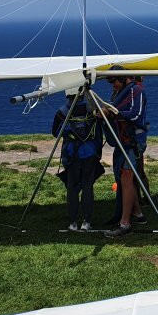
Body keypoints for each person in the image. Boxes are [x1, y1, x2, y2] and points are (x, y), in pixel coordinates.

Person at [101, 69, 150, 238]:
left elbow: (136, 115)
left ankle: (125, 224)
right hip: (123, 141)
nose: (113, 85)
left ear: (123, 78)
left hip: (133, 142)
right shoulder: (119, 93)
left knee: (127, 178)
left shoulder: (137, 91)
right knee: (123, 178)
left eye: (114, 81)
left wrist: (114, 114)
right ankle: (137, 214)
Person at [52, 96, 103, 232]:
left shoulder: (62, 111)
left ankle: (73, 223)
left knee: (72, 187)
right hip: (89, 152)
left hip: (71, 154)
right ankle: (86, 222)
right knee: (87, 186)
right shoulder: (91, 110)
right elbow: (99, 131)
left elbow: (54, 132)